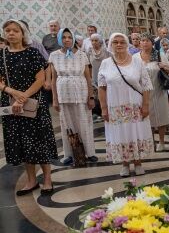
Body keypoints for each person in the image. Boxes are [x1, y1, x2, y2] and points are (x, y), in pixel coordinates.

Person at [0, 19, 57, 195]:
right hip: (11, 103)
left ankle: (47, 179)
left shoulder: (32, 53)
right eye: (7, 30)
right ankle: (31, 180)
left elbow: (40, 79)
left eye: (15, 31)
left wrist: (23, 97)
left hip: (34, 103)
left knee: (38, 141)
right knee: (22, 143)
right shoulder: (1, 55)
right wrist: (12, 92)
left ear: (22, 34)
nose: (11, 33)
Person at [98, 33, 153, 177]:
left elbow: (146, 85)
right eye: (115, 42)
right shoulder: (105, 64)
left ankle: (138, 162)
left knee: (135, 131)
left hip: (135, 105)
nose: (119, 44)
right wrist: (103, 108)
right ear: (110, 45)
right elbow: (102, 87)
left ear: (127, 44)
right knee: (121, 134)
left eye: (122, 42)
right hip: (115, 106)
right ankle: (125, 163)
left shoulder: (137, 62)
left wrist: (146, 105)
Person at [48, 27, 97, 165]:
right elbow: (53, 79)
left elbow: (88, 78)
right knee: (66, 124)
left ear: (73, 39)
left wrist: (91, 97)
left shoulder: (82, 55)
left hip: (81, 93)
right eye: (64, 37)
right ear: (59, 40)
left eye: (69, 37)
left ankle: (90, 152)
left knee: (84, 122)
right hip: (63, 94)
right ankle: (69, 154)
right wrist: (55, 99)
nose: (67, 40)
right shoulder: (54, 55)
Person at [134, 34, 169, 149]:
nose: (144, 43)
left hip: (159, 91)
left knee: (161, 117)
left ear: (152, 43)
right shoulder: (135, 57)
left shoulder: (159, 55)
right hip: (143, 94)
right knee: (146, 117)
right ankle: (150, 142)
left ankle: (161, 142)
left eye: (147, 41)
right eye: (142, 41)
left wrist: (164, 67)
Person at [86, 33, 111, 119]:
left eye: (96, 40)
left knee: (106, 95)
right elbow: (88, 65)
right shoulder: (89, 51)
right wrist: (89, 77)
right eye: (92, 40)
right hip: (94, 76)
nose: (94, 42)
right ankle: (99, 113)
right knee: (96, 96)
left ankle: (107, 111)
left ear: (100, 41)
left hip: (106, 76)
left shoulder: (106, 51)